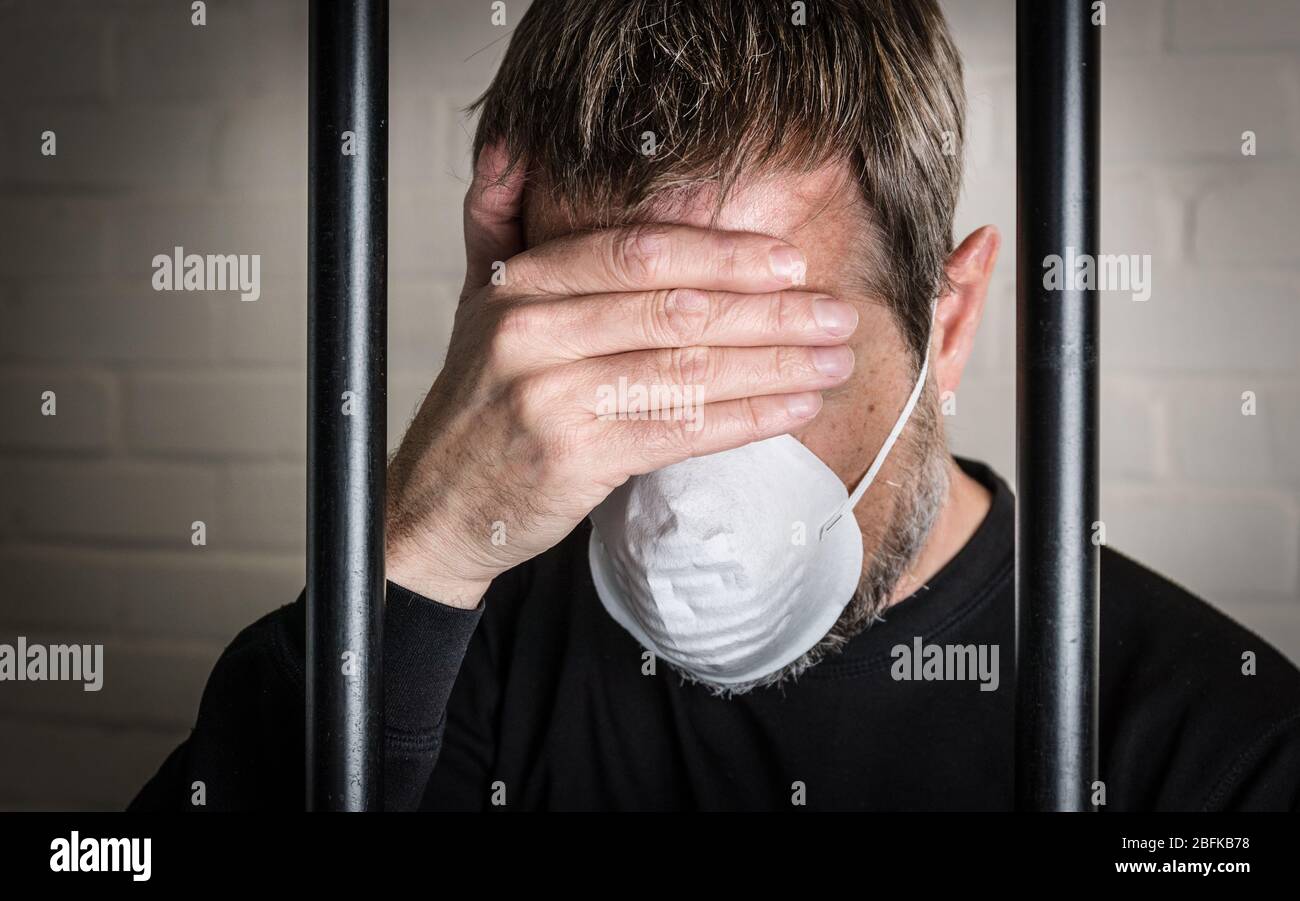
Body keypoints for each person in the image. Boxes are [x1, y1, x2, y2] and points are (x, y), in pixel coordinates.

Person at [133, 0, 1300, 811]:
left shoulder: (1211, 749)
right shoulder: (466, 658)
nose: (685, 461)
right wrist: (418, 548)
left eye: (755, 350)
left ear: (947, 321)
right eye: (617, 339)